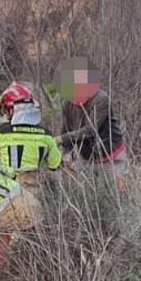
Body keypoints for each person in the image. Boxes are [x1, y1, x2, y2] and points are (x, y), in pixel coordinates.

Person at [55, 59, 127, 190]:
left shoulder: (101, 99)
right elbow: (66, 130)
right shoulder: (67, 104)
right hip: (86, 158)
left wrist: (60, 139)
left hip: (111, 156)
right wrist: (67, 152)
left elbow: (90, 130)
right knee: (83, 193)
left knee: (116, 196)